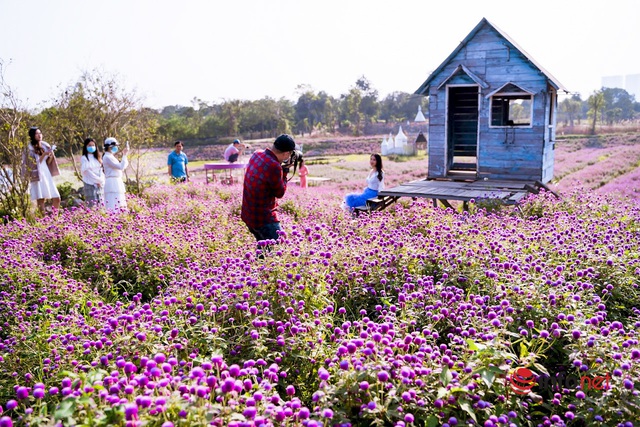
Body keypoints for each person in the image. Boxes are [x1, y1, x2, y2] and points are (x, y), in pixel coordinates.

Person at [241, 134, 296, 245]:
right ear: (286, 154)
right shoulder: (274, 166)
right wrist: (285, 171)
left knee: (264, 250)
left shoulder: (257, 154)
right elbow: (280, 193)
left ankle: (258, 262)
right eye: (290, 154)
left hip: (248, 215)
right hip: (263, 219)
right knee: (280, 248)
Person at [26, 126, 61, 215]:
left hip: (46, 172)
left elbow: (48, 162)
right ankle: (43, 219)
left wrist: (51, 155)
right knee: (41, 199)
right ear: (32, 136)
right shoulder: (30, 148)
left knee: (57, 197)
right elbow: (33, 163)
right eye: (37, 133)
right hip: (37, 174)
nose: (39, 135)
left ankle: (54, 217)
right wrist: (43, 155)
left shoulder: (45, 145)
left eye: (40, 133)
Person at [102, 137, 129, 211]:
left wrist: (124, 155)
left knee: (119, 201)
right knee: (113, 202)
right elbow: (121, 166)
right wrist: (124, 155)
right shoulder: (107, 157)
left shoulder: (110, 156)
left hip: (116, 181)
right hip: (112, 182)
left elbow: (122, 166)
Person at [80, 138, 105, 206]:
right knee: (92, 204)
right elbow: (88, 172)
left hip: (100, 184)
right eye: (89, 145)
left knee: (101, 203)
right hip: (90, 183)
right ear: (86, 147)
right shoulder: (84, 158)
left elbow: (101, 170)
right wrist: (97, 180)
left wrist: (101, 180)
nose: (91, 147)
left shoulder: (98, 158)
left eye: (93, 145)